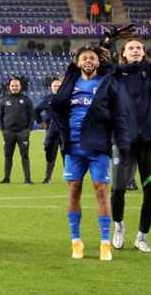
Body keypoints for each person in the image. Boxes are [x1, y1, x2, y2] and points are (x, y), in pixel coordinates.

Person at [51, 45, 133, 261]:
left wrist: (123, 144)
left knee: (101, 191)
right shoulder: (71, 83)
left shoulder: (107, 82)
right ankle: (76, 241)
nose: (88, 61)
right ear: (77, 62)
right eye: (84, 58)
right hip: (73, 146)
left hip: (98, 145)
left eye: (92, 58)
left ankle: (105, 243)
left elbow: (119, 114)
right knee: (74, 190)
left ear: (99, 62)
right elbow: (58, 108)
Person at [109, 17, 151, 253]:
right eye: (131, 48)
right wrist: (112, 39)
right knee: (117, 190)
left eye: (139, 48)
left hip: (150, 140)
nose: (135, 50)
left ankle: (142, 236)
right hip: (123, 140)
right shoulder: (115, 74)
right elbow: (101, 58)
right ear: (123, 54)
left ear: (143, 52)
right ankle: (118, 226)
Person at [0, 77, 33, 184]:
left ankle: (27, 179)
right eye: (12, 86)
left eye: (16, 86)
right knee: (8, 156)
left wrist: (28, 129)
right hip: (8, 132)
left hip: (22, 132)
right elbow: (0, 115)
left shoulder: (26, 100)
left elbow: (32, 115)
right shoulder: (4, 100)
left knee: (25, 155)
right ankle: (6, 178)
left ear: (20, 87)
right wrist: (3, 129)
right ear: (9, 87)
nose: (14, 87)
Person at [33, 78, 63, 184]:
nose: (57, 88)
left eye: (59, 86)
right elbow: (36, 110)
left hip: (65, 131)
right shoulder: (47, 99)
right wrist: (40, 122)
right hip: (51, 130)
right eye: (55, 86)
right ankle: (47, 177)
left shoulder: (68, 98)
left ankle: (70, 177)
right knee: (50, 152)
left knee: (66, 154)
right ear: (51, 88)